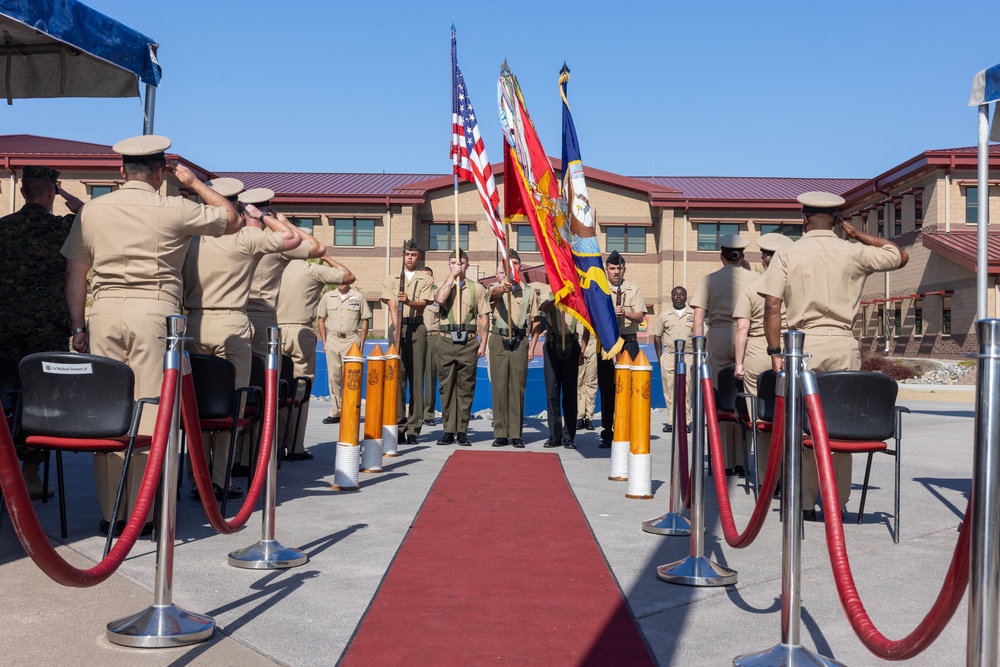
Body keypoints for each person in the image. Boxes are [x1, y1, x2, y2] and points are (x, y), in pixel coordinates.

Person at [61, 134, 240, 535]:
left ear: (122, 171)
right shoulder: (174, 207)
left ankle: (113, 513)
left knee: (109, 412)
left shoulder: (92, 210)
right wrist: (194, 183)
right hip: (155, 312)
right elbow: (232, 219)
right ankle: (146, 513)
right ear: (161, 172)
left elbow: (76, 273)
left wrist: (78, 326)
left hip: (103, 311)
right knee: (153, 413)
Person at [760, 191, 908, 521]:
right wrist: (858, 235)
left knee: (803, 428)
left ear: (804, 218)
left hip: (803, 347)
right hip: (843, 343)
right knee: (842, 425)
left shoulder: (788, 254)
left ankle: (803, 501)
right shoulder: (853, 251)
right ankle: (837, 502)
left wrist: (775, 351)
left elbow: (772, 305)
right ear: (838, 220)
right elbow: (899, 255)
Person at [182, 177, 301, 498]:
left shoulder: (190, 238)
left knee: (198, 405)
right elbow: (291, 238)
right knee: (229, 407)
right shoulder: (245, 237)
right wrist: (261, 215)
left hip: (192, 322)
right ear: (236, 203)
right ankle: (219, 480)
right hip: (232, 325)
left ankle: (197, 475)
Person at [0, 165, 82, 500]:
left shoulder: (2, 229)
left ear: (21, 193)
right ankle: (31, 476)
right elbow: (87, 213)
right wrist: (62, 193)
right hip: (47, 330)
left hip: (4, 329)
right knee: (42, 400)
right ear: (50, 192)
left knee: (5, 396)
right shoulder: (61, 228)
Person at [278, 252, 355, 459]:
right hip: (300, 331)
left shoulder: (274, 265)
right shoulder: (311, 269)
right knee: (300, 389)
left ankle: (275, 443)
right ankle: (295, 446)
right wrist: (327, 256)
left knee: (277, 390)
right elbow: (348, 276)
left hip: (274, 331)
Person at [690, 233, 754, 473]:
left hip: (717, 335)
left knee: (720, 398)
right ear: (742, 256)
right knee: (745, 397)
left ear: (722, 256)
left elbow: (698, 318)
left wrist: (699, 348)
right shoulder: (754, 278)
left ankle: (724, 460)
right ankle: (741, 460)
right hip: (746, 337)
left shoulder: (710, 279)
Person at [732, 233, 792, 486]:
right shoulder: (795, 285)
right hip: (791, 348)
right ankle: (791, 475)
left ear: (764, 260)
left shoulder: (751, 287)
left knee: (761, 417)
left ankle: (769, 479)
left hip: (758, 348)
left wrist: (739, 363)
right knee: (792, 416)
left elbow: (742, 328)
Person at [243, 188, 325, 357]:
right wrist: (285, 223)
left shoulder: (230, 238)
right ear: (266, 213)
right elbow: (317, 248)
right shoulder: (273, 243)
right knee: (265, 376)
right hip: (262, 318)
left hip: (232, 316)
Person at [480, 251, 540, 448]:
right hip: (498, 339)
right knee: (499, 387)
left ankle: (515, 434)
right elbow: (490, 297)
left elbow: (536, 320)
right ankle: (500, 433)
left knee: (517, 387)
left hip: (520, 340)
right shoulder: (494, 287)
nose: (513, 266)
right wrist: (502, 290)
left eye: (516, 263)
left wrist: (532, 347)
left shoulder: (529, 292)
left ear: (520, 267)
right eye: (509, 264)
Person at [381, 240, 434, 444]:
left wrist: (409, 301)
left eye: (413, 254)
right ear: (402, 255)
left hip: (417, 328)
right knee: (398, 378)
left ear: (418, 257)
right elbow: (393, 306)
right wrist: (397, 331)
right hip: (398, 328)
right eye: (407, 254)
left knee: (416, 378)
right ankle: (399, 425)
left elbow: (422, 305)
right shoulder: (392, 278)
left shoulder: (425, 279)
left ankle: (414, 428)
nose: (410, 258)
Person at [596, 250, 645, 448]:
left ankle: (629, 429)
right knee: (607, 389)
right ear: (606, 270)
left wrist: (625, 312)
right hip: (608, 343)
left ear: (624, 269)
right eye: (612, 268)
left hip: (628, 341)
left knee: (631, 388)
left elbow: (640, 316)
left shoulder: (633, 288)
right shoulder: (600, 289)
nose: (616, 272)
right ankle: (608, 431)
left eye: (619, 268)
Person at [434, 249, 483, 446]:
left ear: (467, 265)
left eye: (461, 263)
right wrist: (451, 277)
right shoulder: (444, 285)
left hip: (468, 341)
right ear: (449, 265)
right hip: (446, 340)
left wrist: (484, 343)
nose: (457, 266)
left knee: (466, 387)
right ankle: (448, 430)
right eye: (453, 262)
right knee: (446, 386)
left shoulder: (476, 288)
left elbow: (484, 316)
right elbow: (439, 300)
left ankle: (462, 430)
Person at [535, 287, 588, 449]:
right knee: (552, 392)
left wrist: (583, 351)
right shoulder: (546, 292)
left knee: (570, 393)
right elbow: (544, 308)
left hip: (572, 346)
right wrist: (558, 298)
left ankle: (569, 436)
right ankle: (554, 435)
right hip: (552, 345)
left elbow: (587, 323)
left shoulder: (578, 295)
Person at [317, 282, 370, 424]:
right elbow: (321, 319)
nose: (341, 282)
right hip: (333, 339)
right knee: (333, 377)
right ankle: (336, 411)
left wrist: (362, 343)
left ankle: (351, 410)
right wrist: (324, 342)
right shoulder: (328, 296)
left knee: (352, 377)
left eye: (344, 279)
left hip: (351, 339)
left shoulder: (358, 296)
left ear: (349, 281)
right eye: (339, 279)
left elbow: (365, 320)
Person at [652, 286, 694, 434]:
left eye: (681, 294)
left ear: (686, 297)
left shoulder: (693, 314)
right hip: (669, 355)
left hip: (688, 355)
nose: (678, 297)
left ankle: (686, 421)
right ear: (671, 297)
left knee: (686, 389)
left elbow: (702, 334)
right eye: (675, 294)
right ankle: (671, 421)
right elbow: (657, 335)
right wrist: (659, 357)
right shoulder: (665, 315)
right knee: (670, 390)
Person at [420, 266, 440, 426]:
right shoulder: (413, 295)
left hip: (433, 338)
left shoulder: (438, 296)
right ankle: (416, 413)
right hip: (416, 338)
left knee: (431, 377)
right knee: (415, 377)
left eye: (429, 277)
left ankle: (428, 414)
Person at [576, 336, 597, 431]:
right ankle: (579, 416)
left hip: (593, 343)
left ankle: (589, 417)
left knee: (591, 382)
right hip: (577, 342)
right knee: (578, 382)